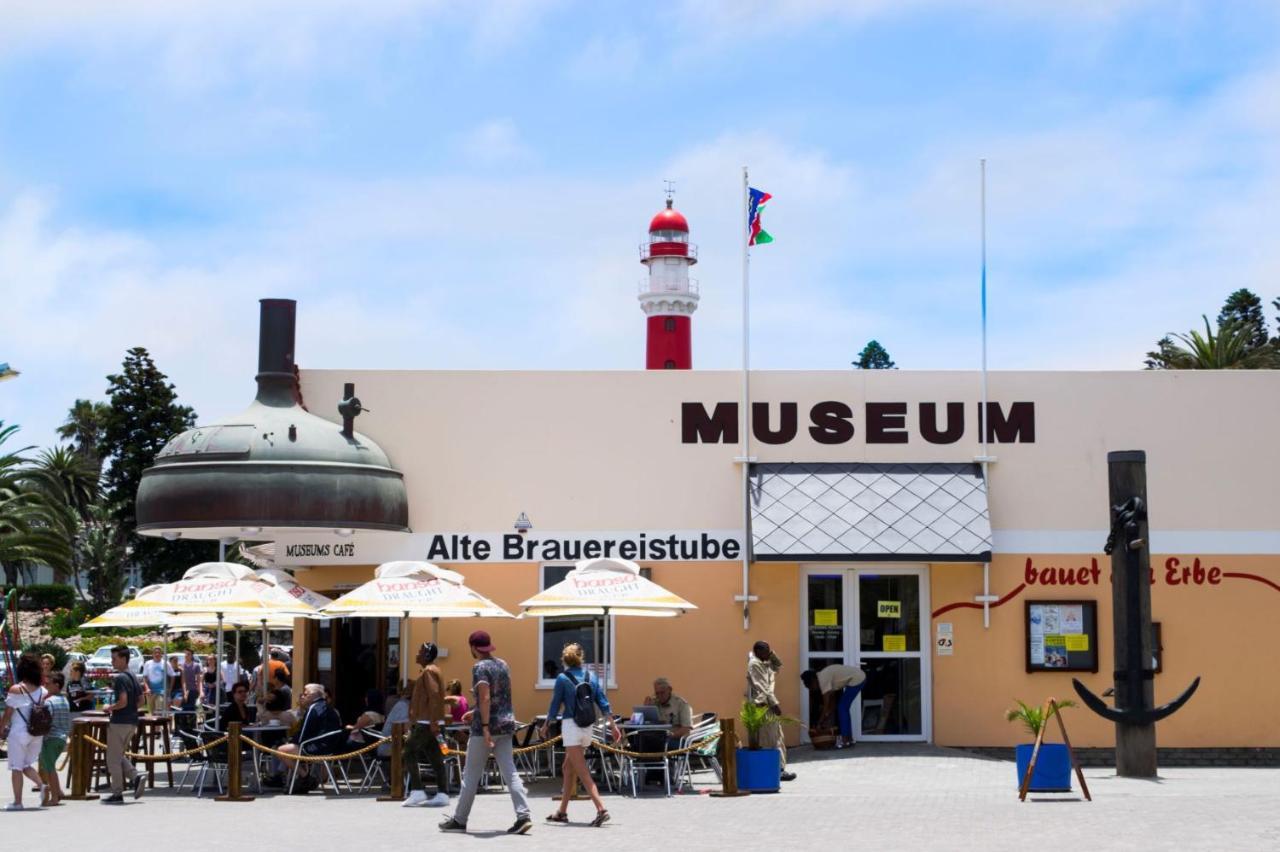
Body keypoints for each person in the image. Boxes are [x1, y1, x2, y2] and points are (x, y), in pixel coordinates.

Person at [438, 630, 531, 835]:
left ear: (473, 647)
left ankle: (459, 820)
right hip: (506, 724)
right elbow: (500, 698)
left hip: (485, 729)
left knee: (471, 775)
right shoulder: (503, 665)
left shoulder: (479, 667)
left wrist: (485, 725)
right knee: (510, 772)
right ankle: (523, 815)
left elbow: (487, 697)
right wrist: (476, 710)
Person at [542, 642, 620, 827]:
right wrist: (613, 725)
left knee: (583, 771)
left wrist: (546, 724)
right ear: (581, 658)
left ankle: (601, 809)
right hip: (587, 727)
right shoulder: (591, 676)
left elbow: (555, 705)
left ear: (565, 660)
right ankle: (562, 812)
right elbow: (602, 701)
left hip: (571, 727)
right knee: (568, 768)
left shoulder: (562, 678)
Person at [403, 643, 450, 807]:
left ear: (427, 655)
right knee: (436, 757)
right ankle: (443, 793)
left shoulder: (429, 671)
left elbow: (434, 696)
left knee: (408, 751)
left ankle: (417, 791)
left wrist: (433, 722)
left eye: (420, 652)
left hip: (426, 722)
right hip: (432, 722)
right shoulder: (432, 670)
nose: (417, 654)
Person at [273, 683, 343, 791]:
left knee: (281, 750)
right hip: (331, 747)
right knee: (291, 747)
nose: (302, 697)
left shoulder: (313, 708)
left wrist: (293, 742)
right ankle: (303, 778)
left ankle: (305, 776)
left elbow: (303, 733)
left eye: (305, 694)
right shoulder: (329, 708)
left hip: (316, 748)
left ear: (311, 695)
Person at [1, 653, 47, 811]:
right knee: (26, 764)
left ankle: (18, 802)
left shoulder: (17, 689)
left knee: (16, 767)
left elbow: (7, 714)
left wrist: (0, 730)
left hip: (19, 732)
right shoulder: (43, 691)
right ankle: (41, 785)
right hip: (37, 733)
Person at [103, 645, 147, 804]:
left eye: (114, 658)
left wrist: (110, 708)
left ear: (123, 659)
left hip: (119, 722)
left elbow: (122, 701)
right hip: (132, 722)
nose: (112, 661)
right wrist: (130, 710)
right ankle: (136, 777)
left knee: (112, 760)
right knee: (117, 756)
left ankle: (117, 793)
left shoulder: (120, 678)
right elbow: (142, 700)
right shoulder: (133, 676)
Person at [747, 640, 794, 782]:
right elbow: (763, 687)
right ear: (758, 652)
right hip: (764, 705)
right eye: (765, 650)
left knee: (777, 737)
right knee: (770, 740)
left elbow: (778, 665)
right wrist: (774, 704)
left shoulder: (764, 663)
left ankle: (779, 769)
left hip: (767, 705)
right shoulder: (755, 664)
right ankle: (776, 770)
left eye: (769, 650)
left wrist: (771, 653)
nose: (768, 653)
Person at [801, 664, 867, 749]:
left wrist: (819, 723)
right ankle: (849, 739)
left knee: (842, 708)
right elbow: (832, 703)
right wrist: (827, 716)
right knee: (843, 708)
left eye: (811, 687)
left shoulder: (823, 680)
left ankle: (845, 740)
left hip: (857, 679)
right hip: (858, 677)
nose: (813, 690)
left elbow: (826, 705)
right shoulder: (823, 677)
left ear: (813, 681)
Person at [38, 672, 71, 806]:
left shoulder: (49, 701)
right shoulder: (65, 700)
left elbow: (46, 721)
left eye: (48, 684)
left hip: (51, 738)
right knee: (50, 767)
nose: (46, 686)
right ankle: (59, 792)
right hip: (62, 738)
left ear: (56, 685)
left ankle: (55, 797)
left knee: (49, 768)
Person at [645, 676, 694, 744]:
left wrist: (671, 735)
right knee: (638, 742)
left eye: (662, 693)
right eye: (657, 693)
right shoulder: (654, 703)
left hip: (675, 739)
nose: (659, 696)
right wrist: (646, 708)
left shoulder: (681, 704)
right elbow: (645, 724)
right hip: (657, 738)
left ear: (670, 689)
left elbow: (686, 729)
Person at [141, 647, 175, 714]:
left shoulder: (166, 663)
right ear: (152, 654)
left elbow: (172, 676)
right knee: (152, 712)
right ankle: (154, 724)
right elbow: (144, 677)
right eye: (155, 653)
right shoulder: (148, 663)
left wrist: (170, 689)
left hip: (161, 691)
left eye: (159, 653)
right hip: (150, 692)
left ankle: (160, 724)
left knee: (159, 711)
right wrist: (147, 688)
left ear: (161, 654)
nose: (157, 654)